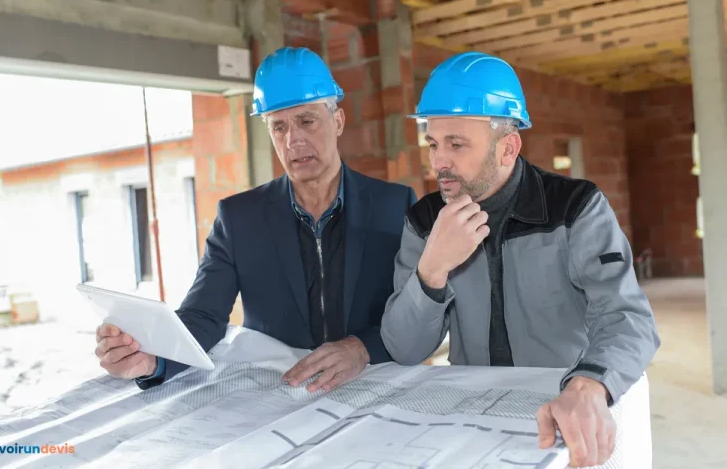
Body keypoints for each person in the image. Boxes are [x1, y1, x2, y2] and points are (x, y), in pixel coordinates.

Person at [380, 52, 660, 468]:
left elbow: (629, 317)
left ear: (508, 147)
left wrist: (589, 384)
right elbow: (403, 348)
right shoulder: (425, 222)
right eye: (434, 144)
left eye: (456, 145)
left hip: (565, 407)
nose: (439, 162)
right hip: (473, 421)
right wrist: (432, 270)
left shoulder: (576, 207)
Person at [94, 46, 417, 393]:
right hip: (281, 393)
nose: (294, 140)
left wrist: (363, 348)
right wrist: (154, 361)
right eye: (279, 126)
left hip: (375, 386)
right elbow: (203, 316)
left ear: (337, 120)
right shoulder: (239, 218)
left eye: (306, 120)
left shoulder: (394, 206)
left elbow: (418, 314)